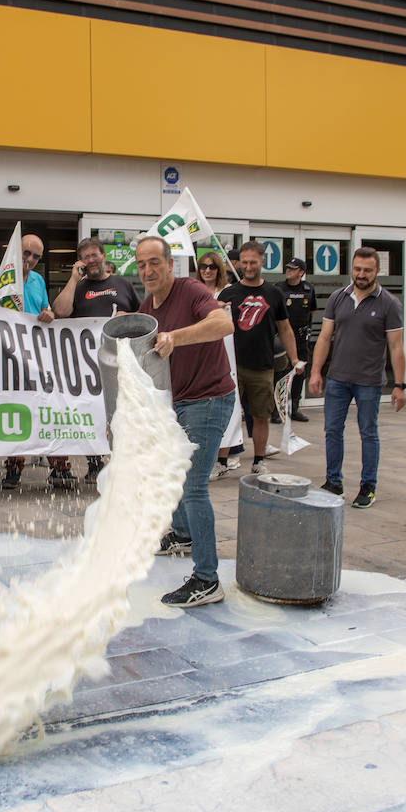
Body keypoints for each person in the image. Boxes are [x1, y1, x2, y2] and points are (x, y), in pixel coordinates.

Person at [137, 235, 235, 609]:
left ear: (169, 264)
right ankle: (182, 534)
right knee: (171, 472)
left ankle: (208, 580)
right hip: (176, 401)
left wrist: (175, 337)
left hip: (209, 399)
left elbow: (223, 324)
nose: (148, 270)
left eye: (154, 263)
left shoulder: (191, 289)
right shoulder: (148, 304)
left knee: (193, 486)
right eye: (142, 264)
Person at [308, 247, 406, 509]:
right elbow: (325, 337)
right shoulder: (338, 297)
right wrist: (316, 372)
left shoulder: (389, 303)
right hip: (338, 378)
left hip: (369, 381)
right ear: (352, 268)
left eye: (367, 270)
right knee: (332, 430)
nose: (361, 275)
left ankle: (368, 486)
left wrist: (400, 385)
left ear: (377, 271)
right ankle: (333, 482)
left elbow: (396, 347)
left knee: (368, 433)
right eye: (358, 269)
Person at [0, 233, 70, 490]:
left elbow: (46, 309)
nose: (30, 259)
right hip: (8, 355)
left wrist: (48, 313)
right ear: (14, 252)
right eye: (26, 254)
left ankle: (60, 468)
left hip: (36, 354)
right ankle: (13, 470)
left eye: (35, 256)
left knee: (48, 407)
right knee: (16, 411)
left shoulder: (38, 280)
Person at [52, 236, 139, 486]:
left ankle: (122, 463)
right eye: (86, 256)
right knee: (90, 410)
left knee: (119, 412)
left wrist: (128, 315)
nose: (91, 260)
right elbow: (60, 312)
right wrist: (72, 279)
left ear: (103, 255)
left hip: (119, 362)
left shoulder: (122, 284)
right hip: (86, 364)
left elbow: (142, 313)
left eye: (94, 255)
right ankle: (94, 464)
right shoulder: (78, 287)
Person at [218, 241, 302, 474]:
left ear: (263, 261)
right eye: (244, 262)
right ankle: (221, 462)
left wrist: (294, 358)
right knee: (228, 415)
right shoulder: (229, 292)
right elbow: (214, 325)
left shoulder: (274, 293)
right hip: (231, 366)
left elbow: (284, 329)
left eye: (253, 262)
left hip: (262, 365)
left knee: (261, 415)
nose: (248, 266)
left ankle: (258, 460)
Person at [197, 252, 243, 476]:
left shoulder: (229, 292)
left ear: (219, 269)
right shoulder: (195, 291)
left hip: (225, 348)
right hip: (201, 350)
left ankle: (222, 459)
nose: (207, 270)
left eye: (212, 267)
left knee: (228, 403)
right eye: (203, 266)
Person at [275, 257, 317, 422]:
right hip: (282, 337)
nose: (289, 271)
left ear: (301, 272)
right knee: (280, 372)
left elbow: (312, 310)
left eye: (293, 269)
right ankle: (277, 410)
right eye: (288, 268)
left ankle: (295, 408)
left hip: (301, 337)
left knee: (300, 372)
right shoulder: (279, 288)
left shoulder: (308, 288)